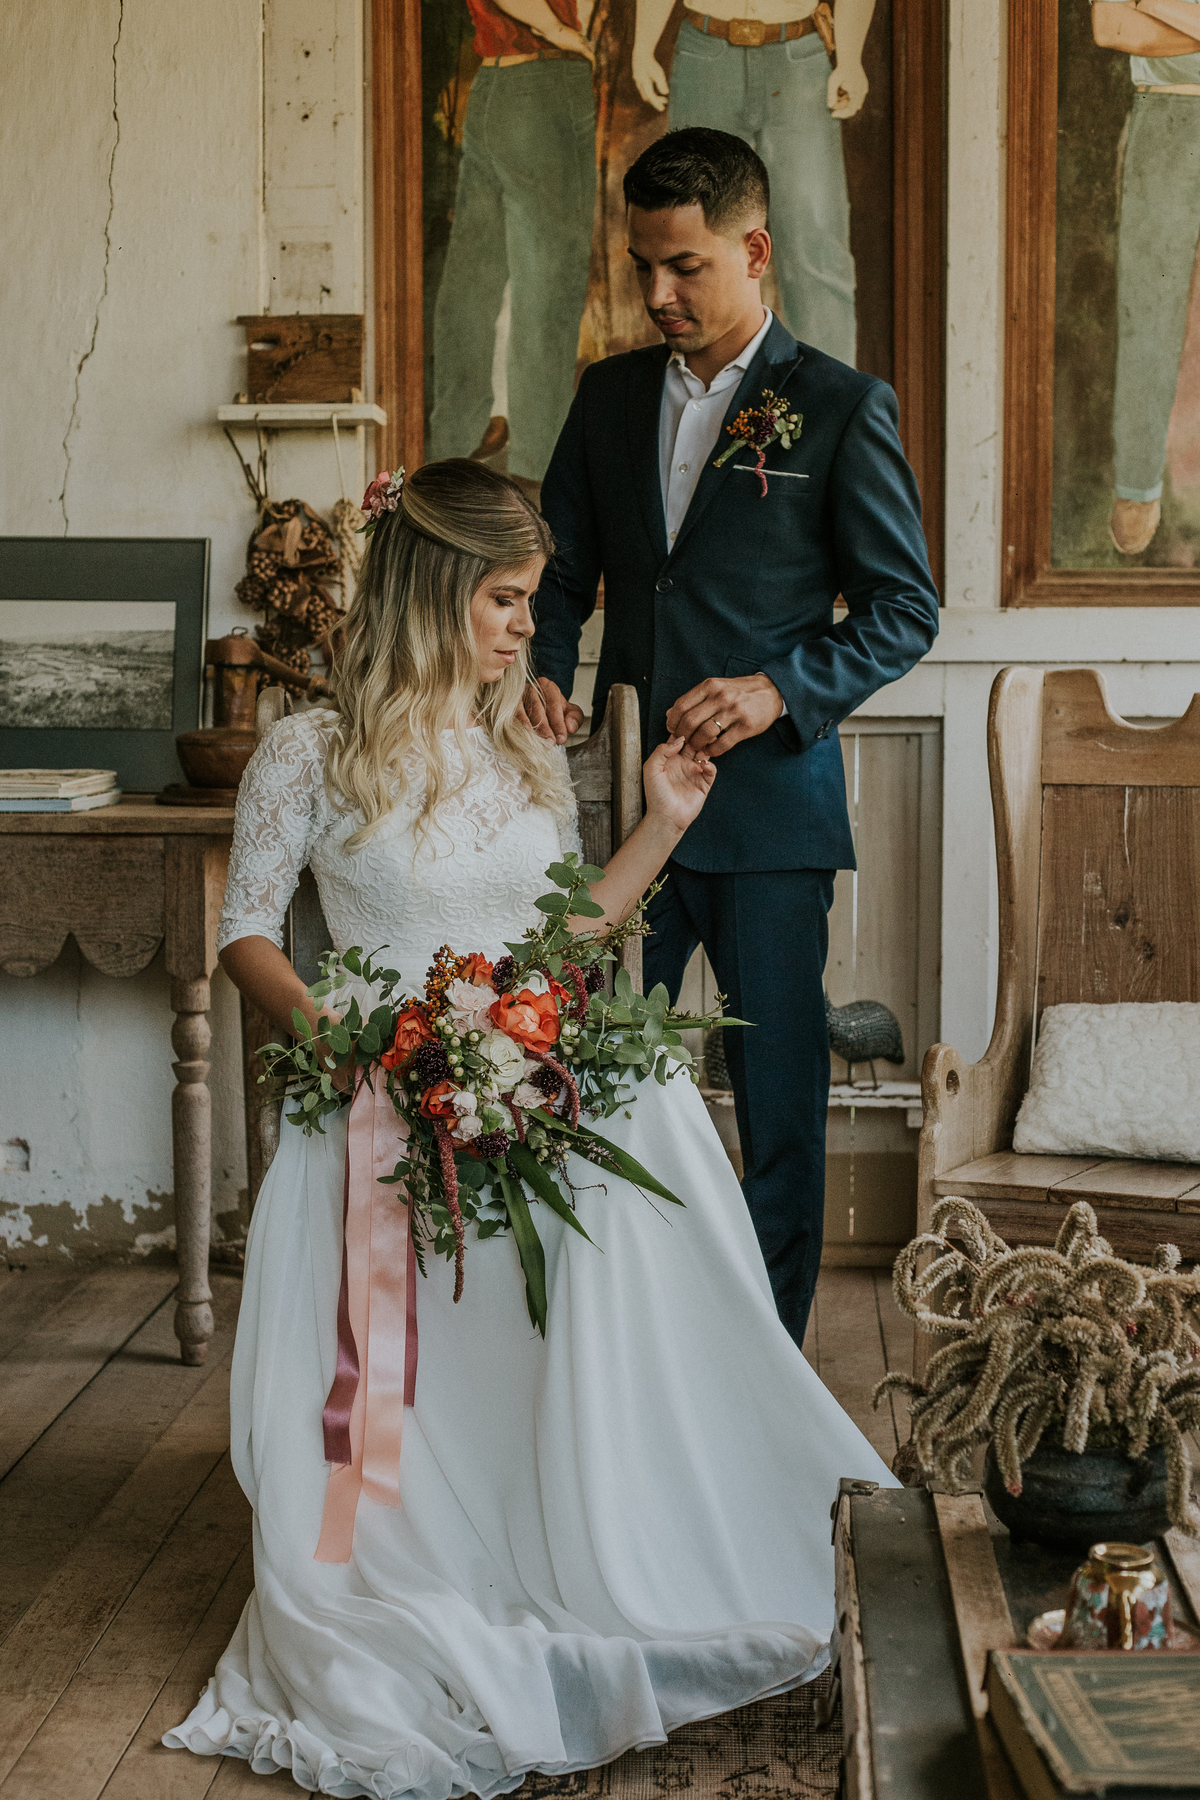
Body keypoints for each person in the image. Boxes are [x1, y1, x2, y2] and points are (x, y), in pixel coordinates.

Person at [164, 459, 894, 1797]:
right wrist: (345, 1045)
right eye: (504, 599)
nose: (522, 627)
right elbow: (247, 932)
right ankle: (417, 1551)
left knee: (647, 1206)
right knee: (392, 1432)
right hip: (381, 1096)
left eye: (529, 601)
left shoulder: (526, 749)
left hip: (535, 1075)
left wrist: (664, 824)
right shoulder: (308, 752)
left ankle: (598, 1526)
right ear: (436, 589)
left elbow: (562, 947)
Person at [529, 129, 939, 1352]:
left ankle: (771, 1368)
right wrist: (547, 667)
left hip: (769, 819)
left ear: (754, 249)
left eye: (686, 268)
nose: (657, 295)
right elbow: (555, 573)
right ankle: (606, 1356)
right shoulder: (605, 398)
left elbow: (905, 611)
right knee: (583, 1084)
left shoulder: (842, 406)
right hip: (621, 824)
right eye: (644, 268)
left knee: (778, 1111)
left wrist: (778, 688)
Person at [631, 0, 876, 364]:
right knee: (691, 247)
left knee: (817, 250)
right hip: (706, 58)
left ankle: (830, 414)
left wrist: (851, 58)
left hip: (799, 59)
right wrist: (642, 47)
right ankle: (701, 411)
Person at [428, 0, 598, 487]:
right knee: (548, 289)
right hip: (544, 80)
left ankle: (449, 467)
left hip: (493, 84)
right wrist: (555, 27)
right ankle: (537, 481)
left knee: (472, 282)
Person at [1092, 0, 1200, 556]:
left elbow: (1141, 23)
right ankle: (1139, 484)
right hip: (1169, 116)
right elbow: (1113, 26)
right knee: (1149, 314)